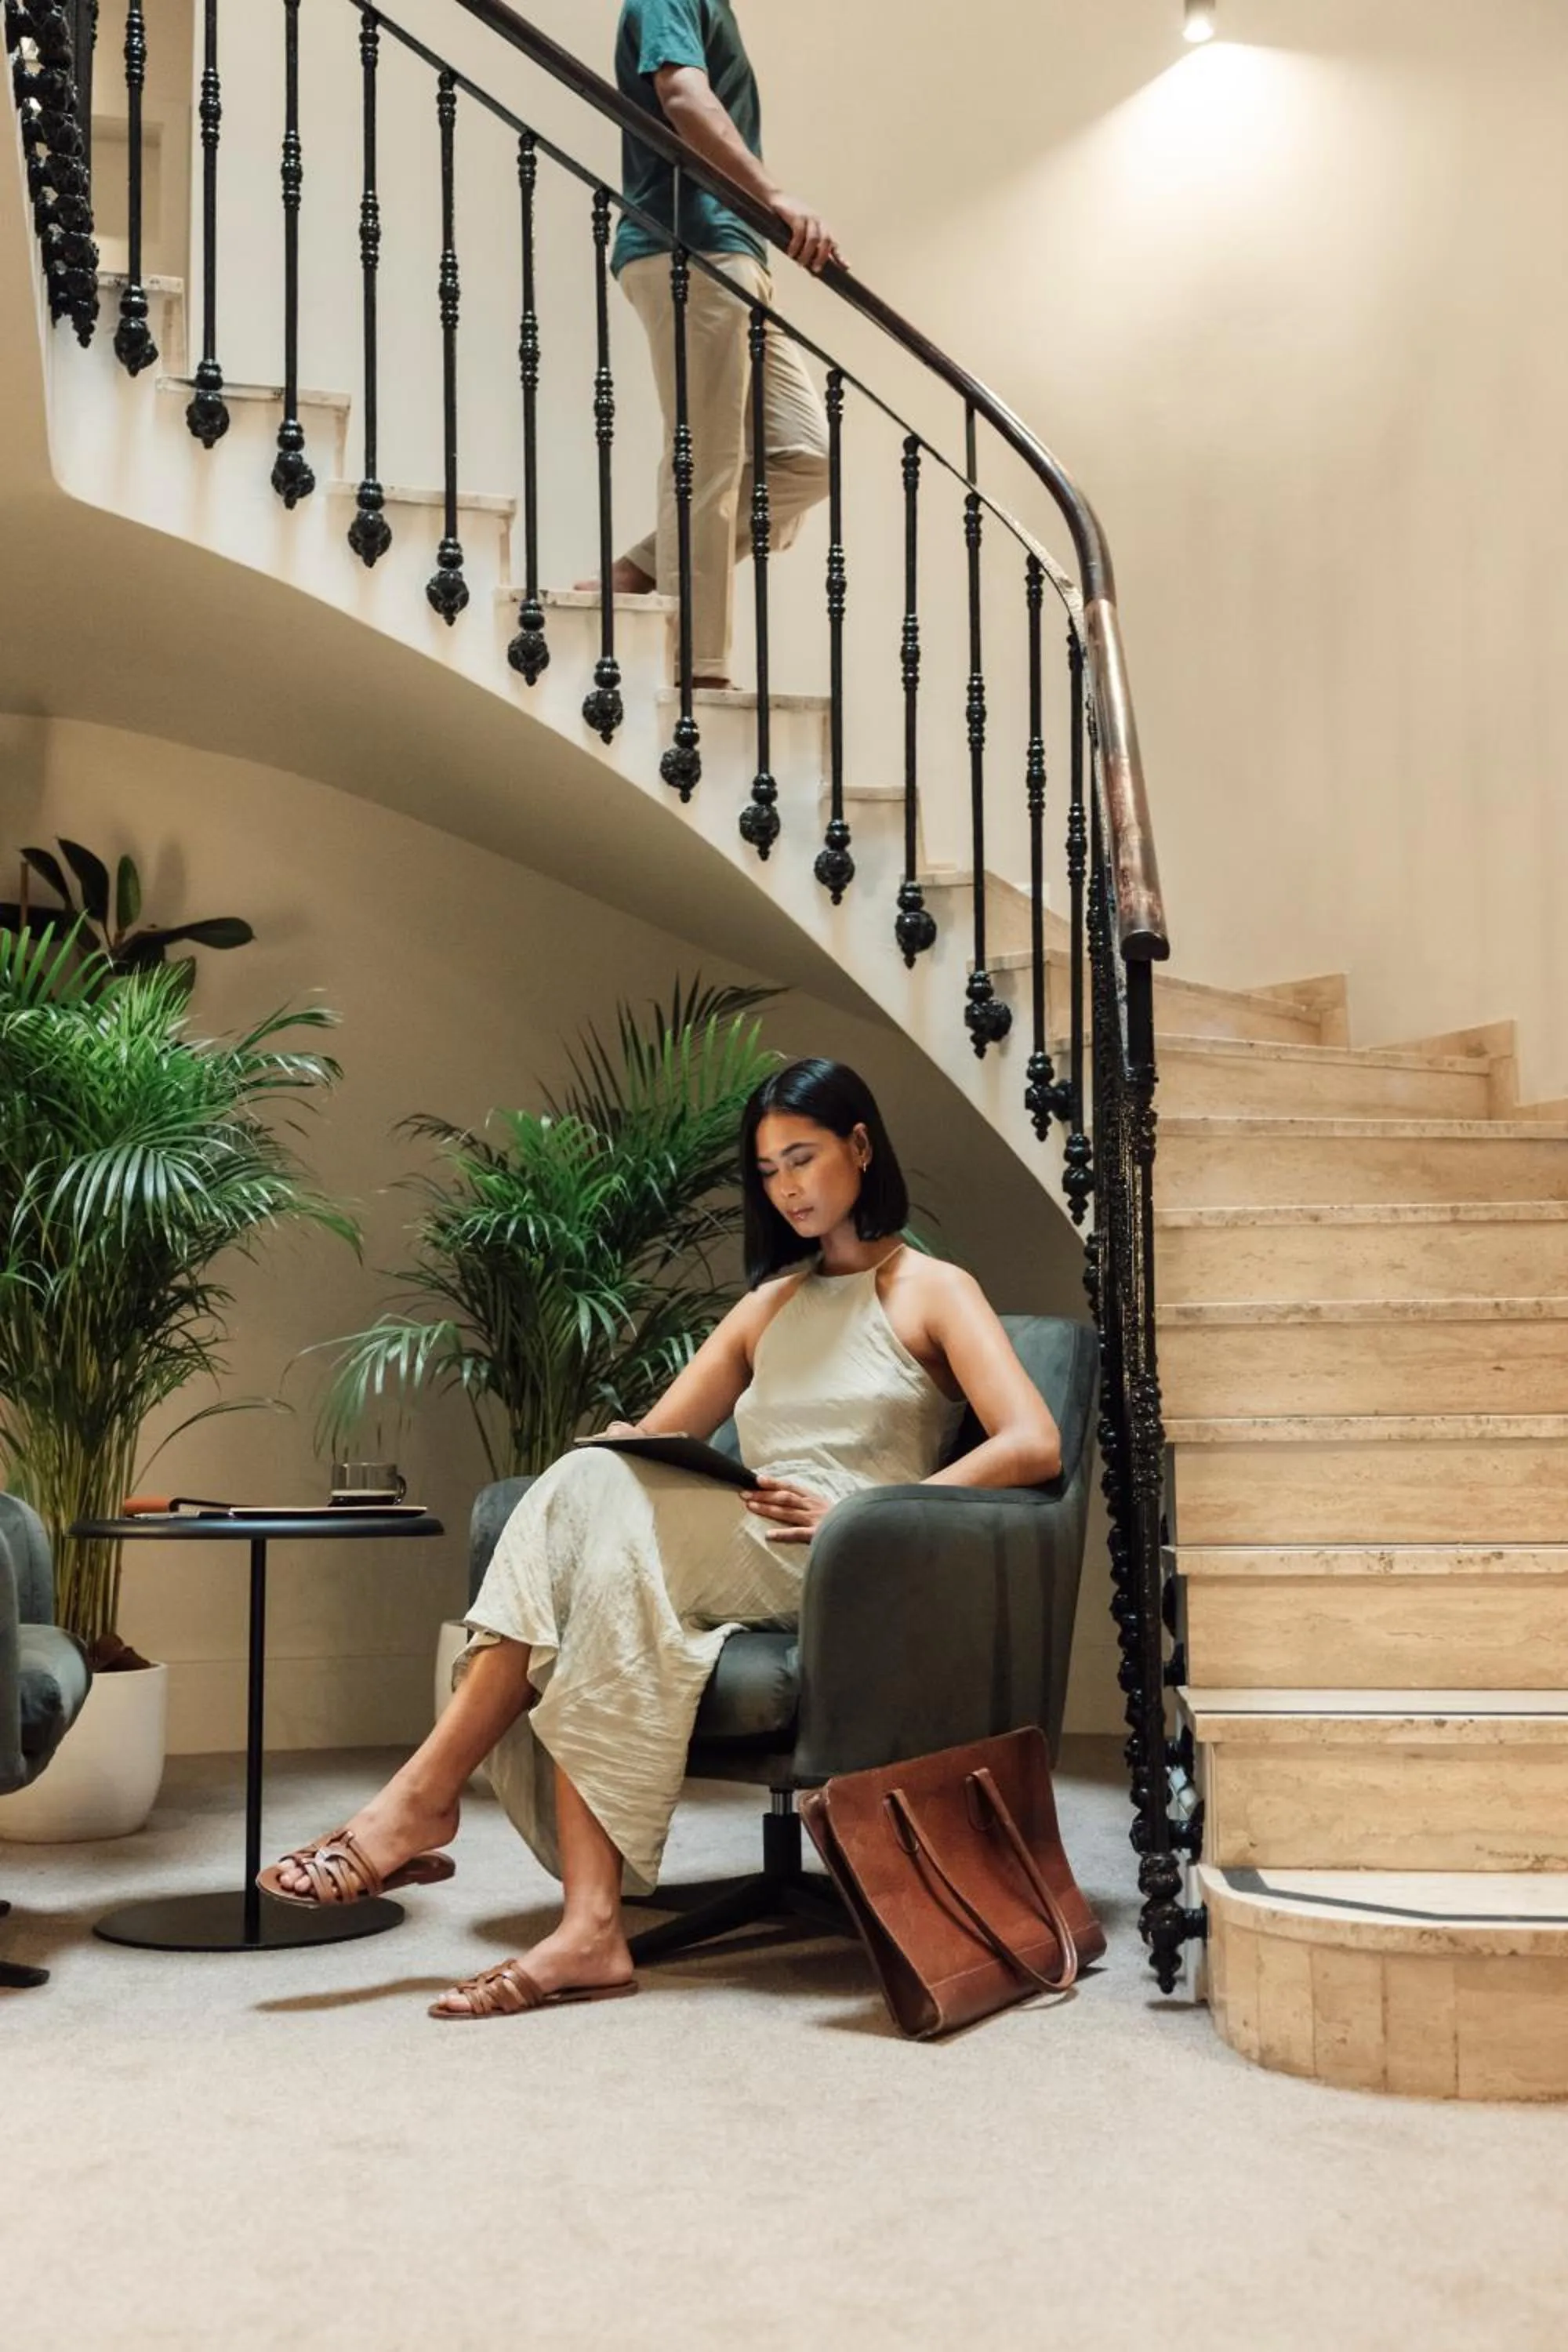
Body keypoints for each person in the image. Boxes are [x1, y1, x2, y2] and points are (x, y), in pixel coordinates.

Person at [259, 1060, 1061, 2022]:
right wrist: (603, 1459)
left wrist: (866, 1508)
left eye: (802, 1157)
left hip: (852, 1557)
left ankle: (419, 1801)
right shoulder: (767, 1306)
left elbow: (1031, 1442)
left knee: (593, 1502)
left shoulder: (930, 1289)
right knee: (595, 1516)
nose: (788, 1187)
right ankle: (589, 1929)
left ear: (859, 1145)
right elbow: (650, 1441)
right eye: (766, 1171)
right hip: (736, 1539)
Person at [579, 1, 841, 688]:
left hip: (730, 251)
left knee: (807, 456)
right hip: (686, 244)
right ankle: (696, 669)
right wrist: (775, 194)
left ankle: (635, 573)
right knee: (708, 460)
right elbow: (684, 96)